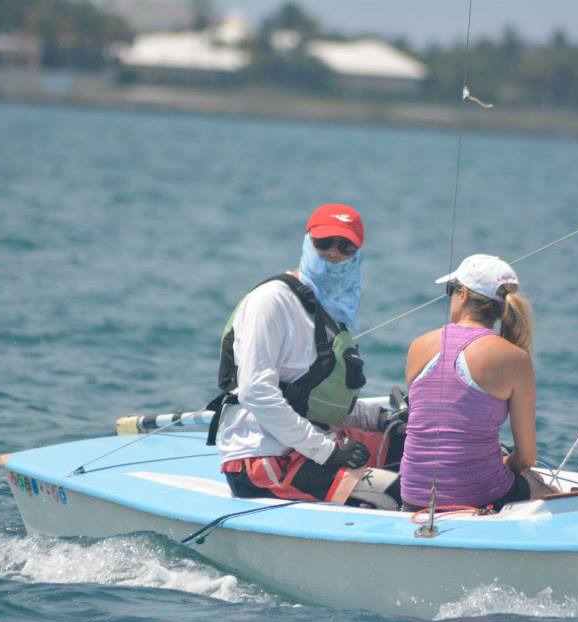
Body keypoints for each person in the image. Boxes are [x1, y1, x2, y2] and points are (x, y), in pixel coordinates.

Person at [208, 204, 403, 509]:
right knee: (400, 492)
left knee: (418, 451)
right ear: (307, 243)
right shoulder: (271, 301)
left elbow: (314, 400)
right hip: (265, 457)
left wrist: (381, 419)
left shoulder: (330, 310)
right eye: (323, 243)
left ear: (357, 255)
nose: (333, 253)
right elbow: (255, 392)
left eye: (345, 247)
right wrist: (326, 451)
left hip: (310, 443)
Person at [399, 254, 556, 511]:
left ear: (462, 294)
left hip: (412, 495)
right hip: (479, 495)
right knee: (547, 492)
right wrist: (507, 464)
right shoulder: (515, 358)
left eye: (450, 290)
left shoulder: (418, 345)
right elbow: (527, 457)